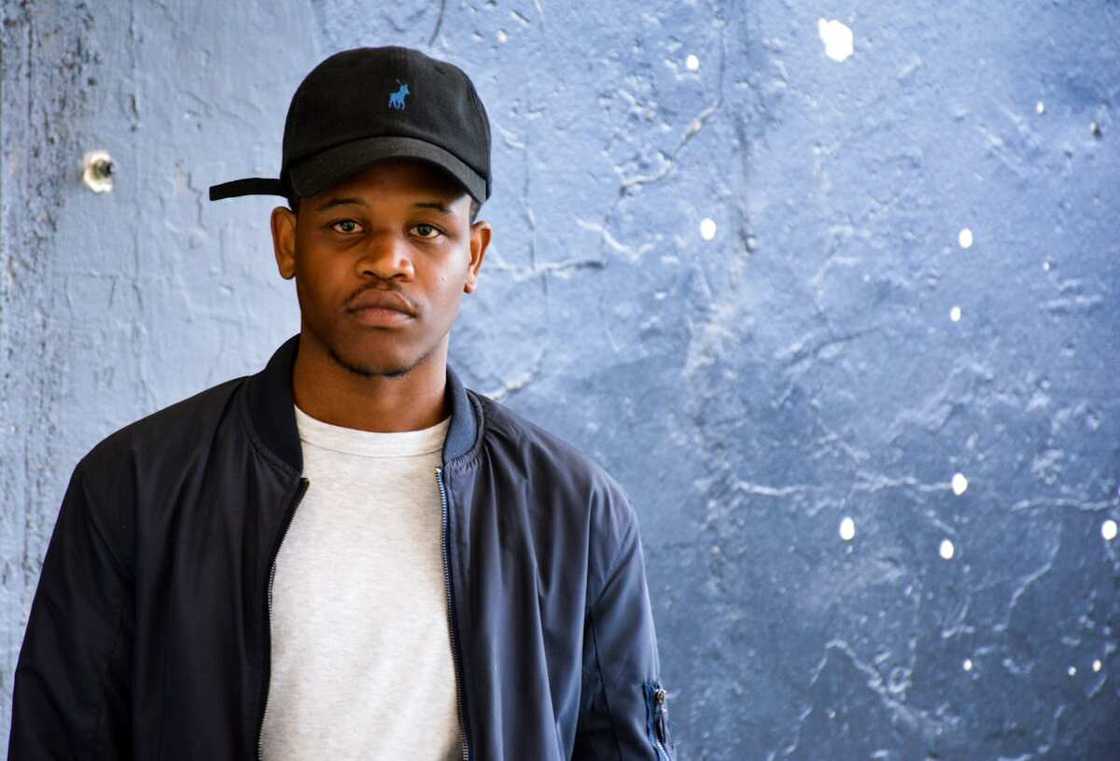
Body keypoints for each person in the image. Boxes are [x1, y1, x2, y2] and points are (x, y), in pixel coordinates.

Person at [7, 45, 675, 761]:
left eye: (426, 228)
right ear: (288, 241)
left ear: (473, 256)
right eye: (349, 224)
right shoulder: (135, 488)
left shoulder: (575, 514)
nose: (389, 259)